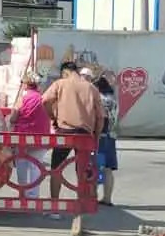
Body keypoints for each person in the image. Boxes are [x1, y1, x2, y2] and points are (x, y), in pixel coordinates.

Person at [41, 61, 105, 210]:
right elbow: (101, 116)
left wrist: (53, 117)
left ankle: (54, 208)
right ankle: (81, 206)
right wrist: (96, 137)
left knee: (57, 168)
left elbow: (44, 101)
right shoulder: (91, 88)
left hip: (64, 132)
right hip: (85, 134)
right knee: (82, 170)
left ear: (65, 72)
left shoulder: (60, 83)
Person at [8, 71, 52, 200]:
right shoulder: (43, 98)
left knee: (21, 165)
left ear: (26, 84)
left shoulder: (23, 98)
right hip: (41, 138)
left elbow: (13, 118)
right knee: (36, 167)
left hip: (23, 138)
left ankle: (23, 193)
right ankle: (33, 195)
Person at [95, 75, 119, 206]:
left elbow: (101, 119)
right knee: (108, 168)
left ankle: (94, 194)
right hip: (112, 136)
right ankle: (108, 198)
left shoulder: (100, 100)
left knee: (98, 166)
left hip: (101, 136)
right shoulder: (113, 100)